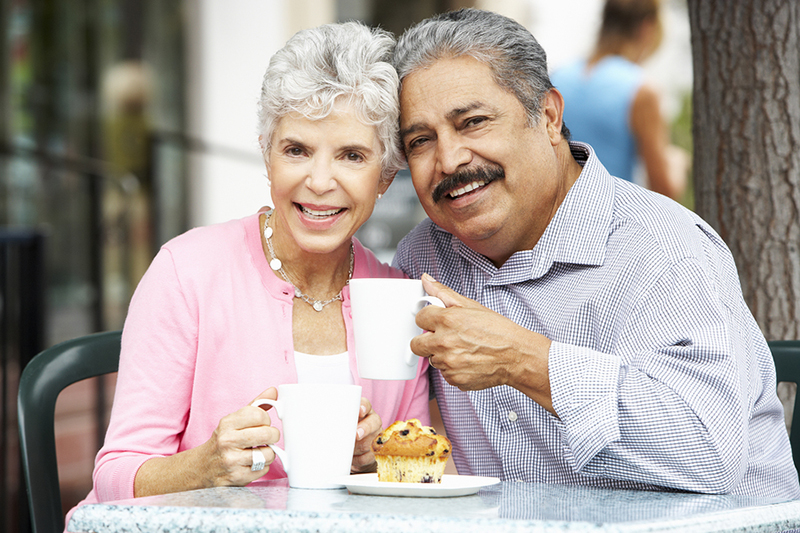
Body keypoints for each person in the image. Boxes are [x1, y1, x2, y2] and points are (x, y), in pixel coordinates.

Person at [392, 8, 799, 497]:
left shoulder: (665, 249)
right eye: (420, 141)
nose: (450, 159)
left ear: (547, 116)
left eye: (473, 122)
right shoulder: (423, 260)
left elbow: (710, 457)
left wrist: (525, 360)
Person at [68, 21, 429, 517]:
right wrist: (204, 467)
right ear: (266, 154)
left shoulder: (395, 297)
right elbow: (113, 477)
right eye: (296, 150)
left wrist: (372, 461)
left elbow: (413, 484)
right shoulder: (187, 271)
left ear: (386, 176)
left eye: (352, 155)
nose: (319, 181)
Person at [550, 0, 688, 200]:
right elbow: (663, 189)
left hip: (556, 218)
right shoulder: (641, 90)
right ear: (646, 28)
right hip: (609, 223)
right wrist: (677, 162)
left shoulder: (557, 78)